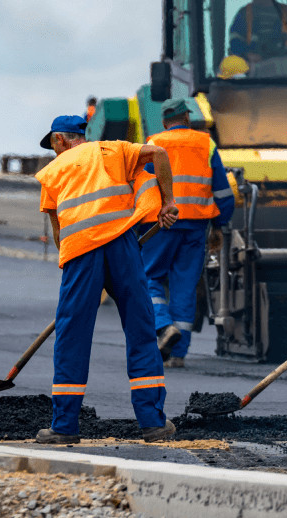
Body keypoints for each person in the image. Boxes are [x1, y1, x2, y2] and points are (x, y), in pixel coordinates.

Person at [33, 115, 180, 444]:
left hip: (81, 254)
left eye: (53, 145)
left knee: (72, 336)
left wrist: (79, 279)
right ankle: (153, 423)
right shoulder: (114, 150)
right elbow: (158, 153)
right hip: (123, 245)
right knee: (141, 331)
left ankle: (64, 426)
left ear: (60, 140)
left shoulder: (53, 172)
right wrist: (168, 201)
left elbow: (59, 235)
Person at [139, 99, 234, 368]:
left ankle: (163, 326)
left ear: (165, 121)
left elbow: (142, 187)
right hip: (196, 226)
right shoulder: (206, 143)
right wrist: (220, 224)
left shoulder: (153, 142)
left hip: (161, 224)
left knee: (148, 277)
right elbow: (223, 192)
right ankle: (178, 355)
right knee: (185, 287)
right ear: (187, 118)